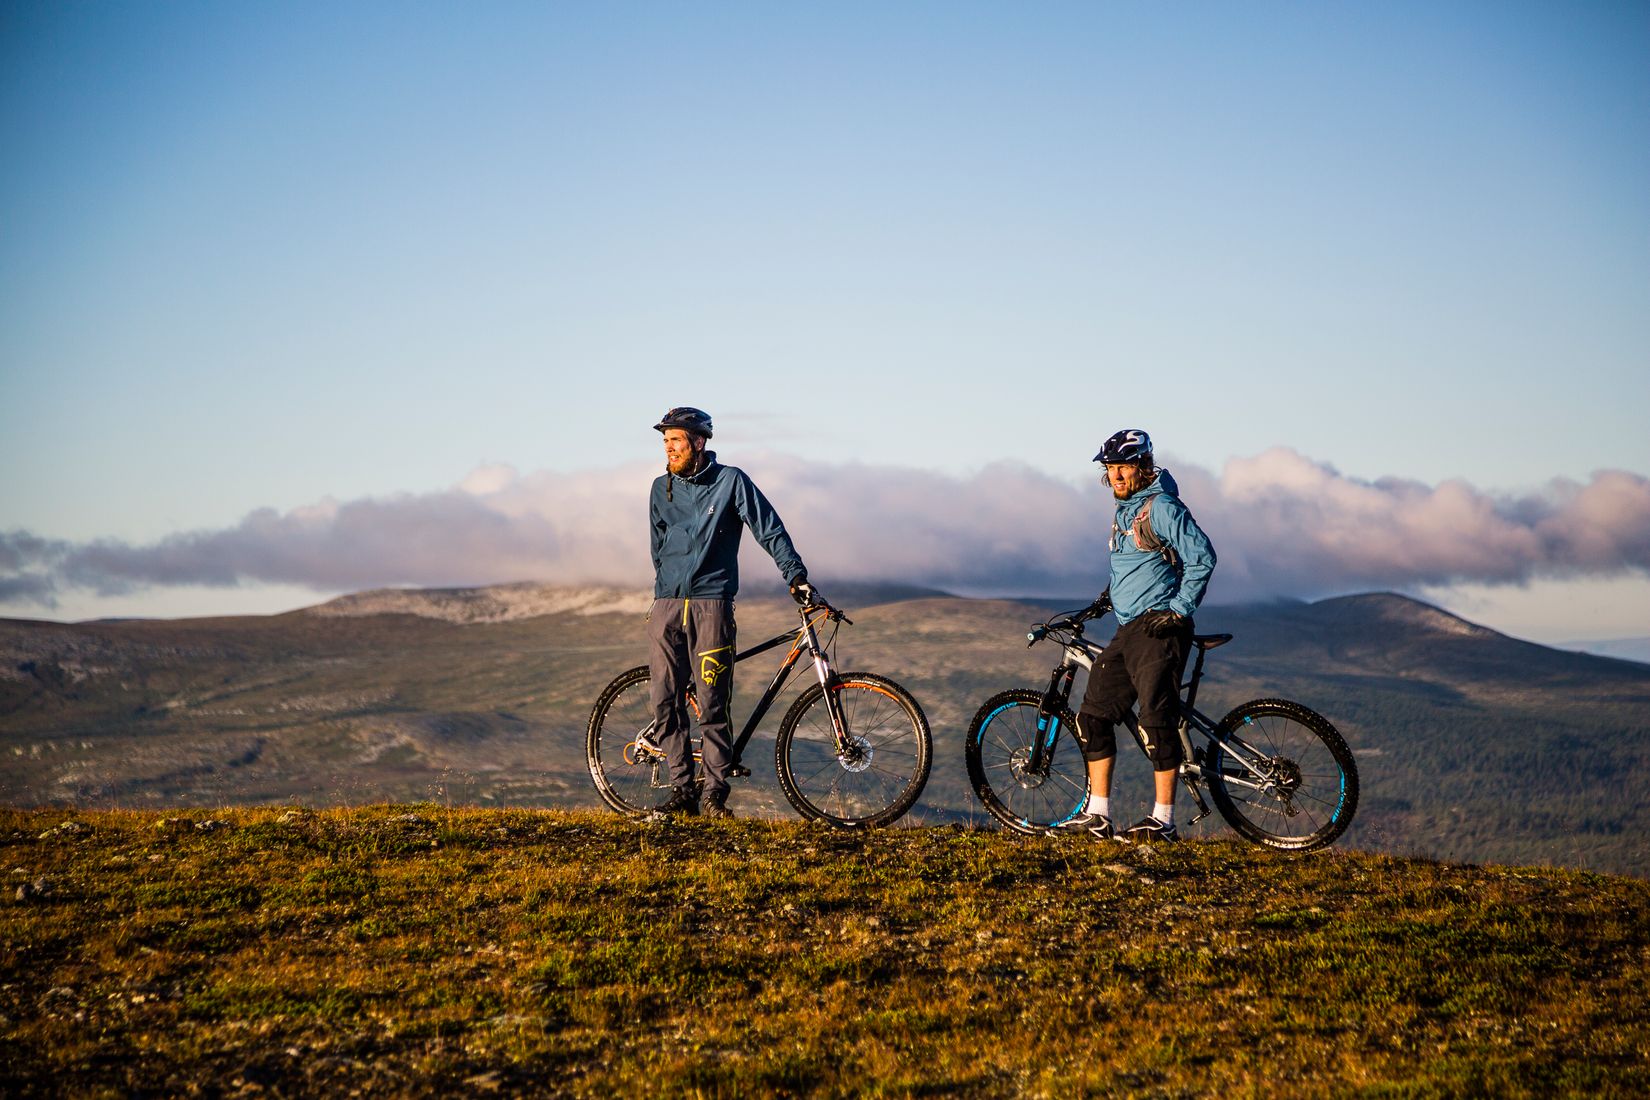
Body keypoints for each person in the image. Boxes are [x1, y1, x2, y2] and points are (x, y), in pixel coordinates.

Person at [646, 406, 815, 820]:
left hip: (712, 606)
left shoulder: (731, 482)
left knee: (712, 703)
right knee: (665, 702)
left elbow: (768, 528)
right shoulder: (658, 488)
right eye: (665, 441)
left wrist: (795, 575)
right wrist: (666, 589)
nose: (669, 448)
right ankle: (683, 790)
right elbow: (658, 546)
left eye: (676, 441)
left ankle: (714, 795)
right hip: (667, 607)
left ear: (699, 442)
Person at [1062, 428, 1216, 843]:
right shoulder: (1125, 510)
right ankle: (1098, 816)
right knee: (1092, 717)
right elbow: (1135, 568)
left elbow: (1202, 557)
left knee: (1155, 722)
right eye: (1111, 467)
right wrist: (1105, 601)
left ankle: (1163, 821)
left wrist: (1179, 611)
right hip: (1128, 628)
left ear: (1144, 466)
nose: (1116, 475)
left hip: (1158, 627)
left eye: (1124, 466)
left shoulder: (1161, 507)